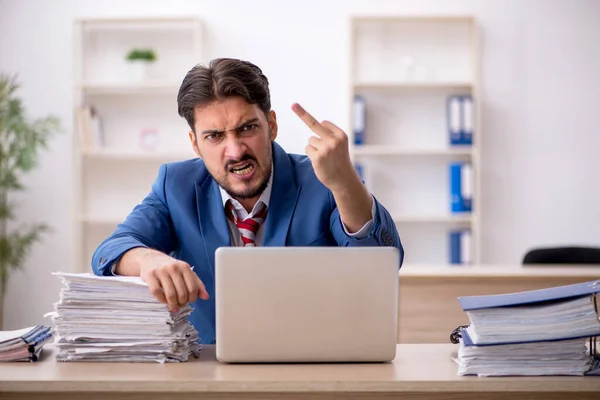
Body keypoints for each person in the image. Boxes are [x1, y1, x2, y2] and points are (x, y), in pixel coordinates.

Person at [91, 58, 403, 344]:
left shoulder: (325, 179)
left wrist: (345, 182)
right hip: (207, 374)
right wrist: (149, 260)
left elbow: (382, 262)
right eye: (214, 136)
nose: (236, 151)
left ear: (272, 126)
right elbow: (109, 250)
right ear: (195, 144)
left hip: (313, 367)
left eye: (247, 128)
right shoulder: (175, 186)